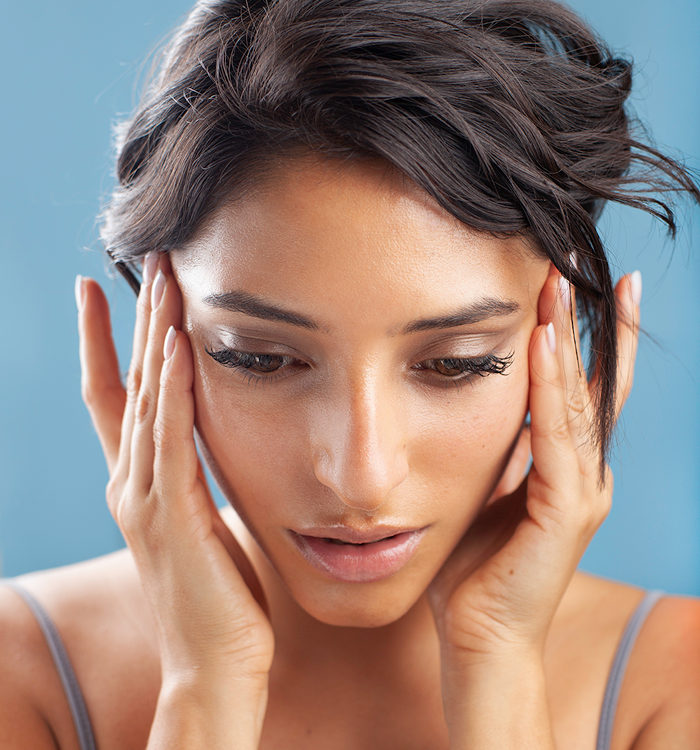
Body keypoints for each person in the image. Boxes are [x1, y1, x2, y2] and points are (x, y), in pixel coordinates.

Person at [1, 0, 699, 747]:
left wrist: (498, 667)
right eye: (259, 358)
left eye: (455, 364)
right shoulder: (22, 674)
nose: (360, 478)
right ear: (160, 330)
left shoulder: (677, 683)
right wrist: (205, 692)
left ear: (559, 342)